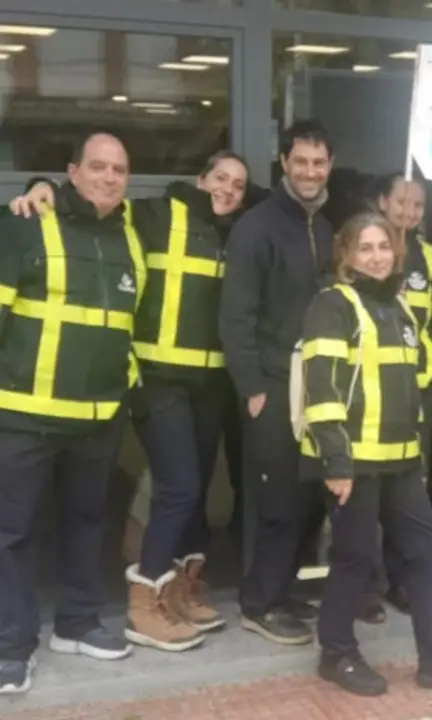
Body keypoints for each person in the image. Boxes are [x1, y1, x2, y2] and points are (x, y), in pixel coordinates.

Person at [9, 151, 256, 651]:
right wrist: (43, 182)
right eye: (220, 178)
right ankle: (144, 603)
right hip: (155, 381)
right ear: (200, 177)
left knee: (193, 493)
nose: (227, 189)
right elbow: (91, 202)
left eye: (239, 184)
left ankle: (178, 592)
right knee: (180, 489)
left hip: (206, 386)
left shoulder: (235, 232)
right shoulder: (155, 213)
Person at [299, 212, 432, 697]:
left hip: (402, 459)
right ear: (346, 255)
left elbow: (420, 377)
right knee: (354, 557)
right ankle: (337, 654)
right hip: (353, 461)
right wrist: (336, 462)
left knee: (426, 552)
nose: (375, 256)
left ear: (397, 253)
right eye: (364, 247)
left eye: (383, 247)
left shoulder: (403, 309)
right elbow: (321, 387)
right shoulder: (333, 304)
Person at [0, 132, 144, 694]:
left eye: (120, 169)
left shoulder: (131, 237)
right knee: (12, 533)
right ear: (72, 172)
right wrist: (36, 190)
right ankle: (12, 646)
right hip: (23, 416)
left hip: (98, 417)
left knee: (89, 523)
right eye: (98, 167)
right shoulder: (24, 224)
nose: (109, 178)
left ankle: (78, 622)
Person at [219, 120, 336, 644]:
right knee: (277, 500)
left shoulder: (328, 227)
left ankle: (285, 589)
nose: (309, 172)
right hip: (272, 384)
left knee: (309, 498)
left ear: (328, 166)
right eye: (301, 161)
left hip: (316, 388)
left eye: (318, 162)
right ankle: (259, 602)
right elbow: (235, 316)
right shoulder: (258, 226)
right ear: (284, 163)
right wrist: (253, 387)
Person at [363, 173, 432, 619]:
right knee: (367, 493)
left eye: (418, 204)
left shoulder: (429, 255)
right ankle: (363, 586)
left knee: (410, 494)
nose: (410, 211)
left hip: (419, 389)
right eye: (402, 202)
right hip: (370, 391)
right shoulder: (365, 246)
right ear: (383, 202)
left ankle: (401, 582)